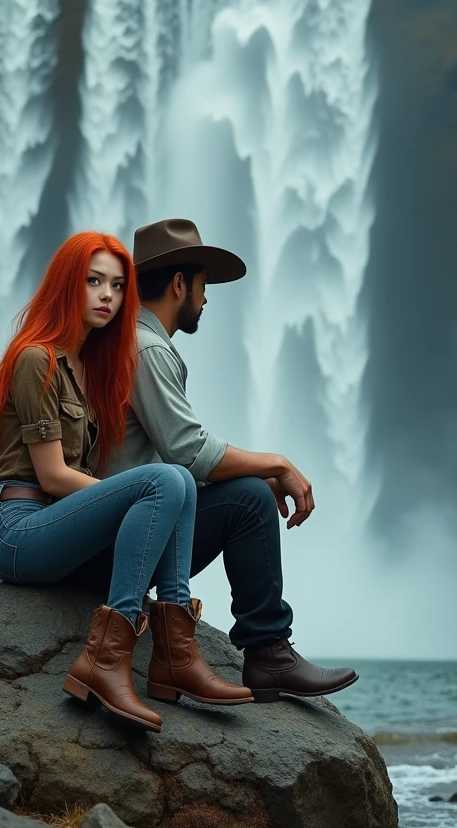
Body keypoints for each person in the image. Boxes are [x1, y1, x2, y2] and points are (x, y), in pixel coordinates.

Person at [0, 231, 252, 734]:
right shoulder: (36, 358)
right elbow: (53, 476)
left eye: (117, 285)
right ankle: (105, 662)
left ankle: (175, 654)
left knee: (179, 484)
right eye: (92, 282)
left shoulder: (93, 368)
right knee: (166, 480)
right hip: (18, 531)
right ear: (67, 285)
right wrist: (131, 496)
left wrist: (142, 497)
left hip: (56, 530)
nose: (107, 295)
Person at [104, 218, 359, 701]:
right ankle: (268, 655)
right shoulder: (146, 347)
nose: (206, 299)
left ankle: (268, 653)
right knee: (248, 499)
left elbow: (170, 462)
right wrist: (277, 464)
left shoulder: (129, 342)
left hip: (126, 527)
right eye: (202, 285)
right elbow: (189, 451)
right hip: (125, 540)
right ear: (179, 284)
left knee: (246, 493)